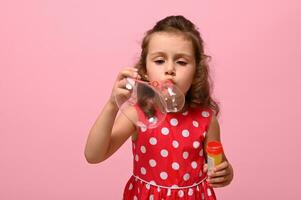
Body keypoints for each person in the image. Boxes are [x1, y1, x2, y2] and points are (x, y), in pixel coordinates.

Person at [84, 15, 234, 200]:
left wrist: (225, 174)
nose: (170, 69)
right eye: (160, 60)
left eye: (181, 62)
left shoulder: (205, 118)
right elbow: (93, 155)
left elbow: (218, 164)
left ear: (197, 72)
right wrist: (112, 105)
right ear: (145, 70)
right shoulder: (137, 114)